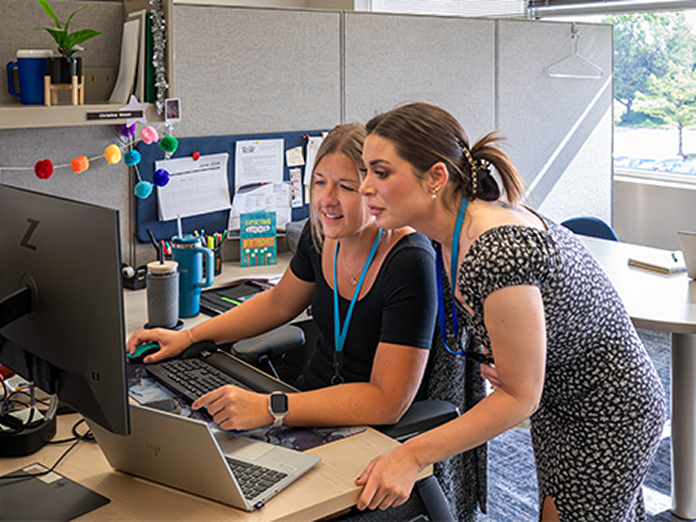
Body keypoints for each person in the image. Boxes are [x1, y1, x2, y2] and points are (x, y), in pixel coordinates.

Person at [354, 102, 667, 521]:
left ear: (436, 178)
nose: (364, 188)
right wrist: (523, 368)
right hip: (560, 395)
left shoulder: (495, 249)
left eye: (381, 172)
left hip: (609, 409)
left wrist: (411, 456)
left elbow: (520, 397)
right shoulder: (453, 235)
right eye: (365, 171)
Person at [126, 122, 438, 432]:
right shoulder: (319, 236)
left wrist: (269, 407)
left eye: (345, 186)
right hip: (307, 404)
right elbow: (278, 302)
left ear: (373, 190)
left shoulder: (408, 261)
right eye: (319, 182)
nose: (327, 199)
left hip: (369, 429)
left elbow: (388, 402)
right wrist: (188, 337)